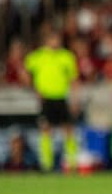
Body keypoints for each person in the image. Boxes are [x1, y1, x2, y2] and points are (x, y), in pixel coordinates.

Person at [24, 29, 79, 171]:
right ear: (46, 41)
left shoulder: (67, 57)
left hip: (61, 97)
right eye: (53, 39)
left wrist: (74, 99)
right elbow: (25, 72)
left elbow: (73, 80)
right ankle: (46, 164)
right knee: (46, 130)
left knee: (68, 129)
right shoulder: (37, 57)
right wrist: (35, 89)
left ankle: (72, 162)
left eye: (58, 39)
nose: (56, 42)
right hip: (46, 98)